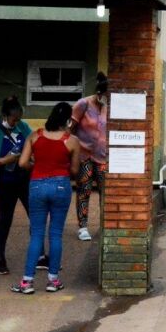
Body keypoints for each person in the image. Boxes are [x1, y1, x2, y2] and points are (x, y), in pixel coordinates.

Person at [12, 102, 81, 294]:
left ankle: (27, 282)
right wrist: (62, 169)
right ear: (68, 120)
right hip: (61, 185)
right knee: (56, 233)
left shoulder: (35, 135)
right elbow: (75, 170)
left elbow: (22, 162)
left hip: (37, 185)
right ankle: (53, 280)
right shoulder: (72, 141)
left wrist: (37, 167)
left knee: (36, 234)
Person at [0, 96, 47, 275]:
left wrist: (32, 155)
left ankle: (40, 255)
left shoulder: (22, 127)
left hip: (25, 180)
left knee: (36, 216)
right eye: (14, 119)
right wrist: (4, 160)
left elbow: (33, 142)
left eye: (19, 118)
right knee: (5, 220)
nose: (17, 122)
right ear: (5, 115)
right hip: (5, 184)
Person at [70, 73, 108, 241]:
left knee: (105, 192)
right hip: (84, 155)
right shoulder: (83, 104)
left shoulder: (111, 107)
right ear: (99, 93)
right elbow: (70, 129)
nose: (108, 99)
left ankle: (106, 225)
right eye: (106, 96)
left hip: (103, 157)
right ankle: (83, 226)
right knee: (84, 191)